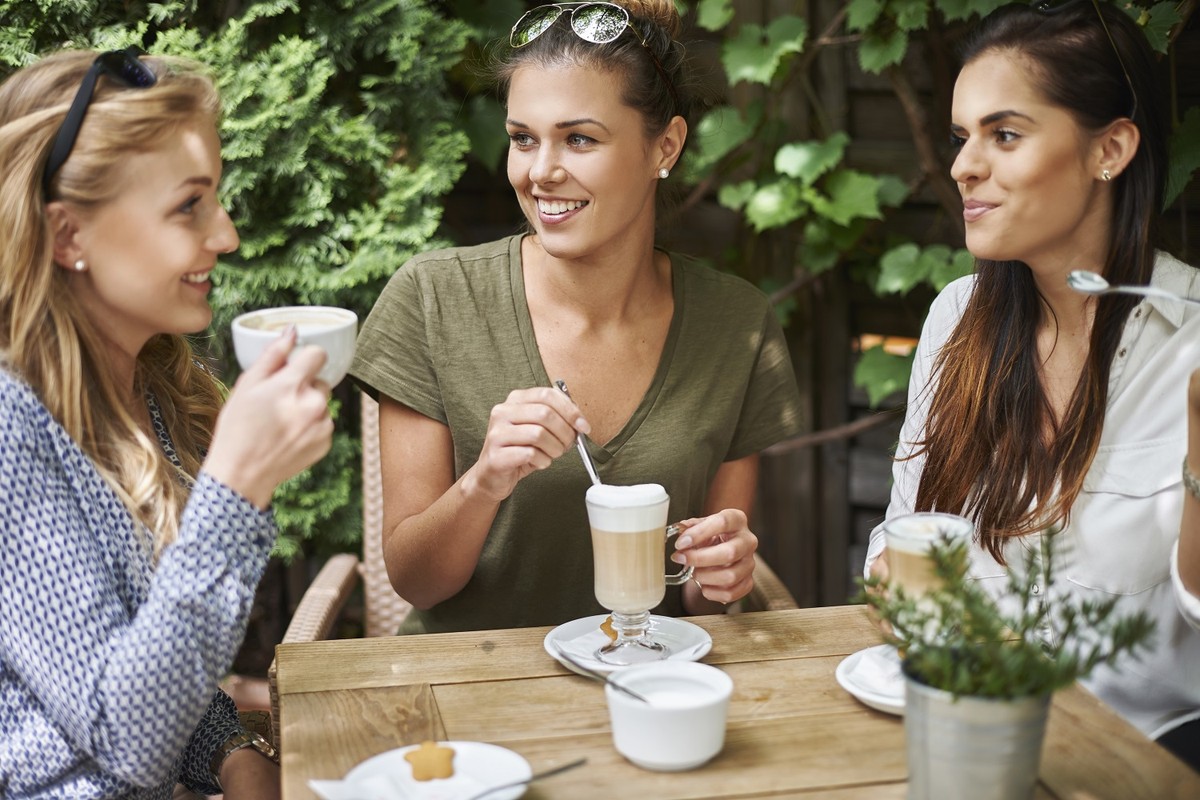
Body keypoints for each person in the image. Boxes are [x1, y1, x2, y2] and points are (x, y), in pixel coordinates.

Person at [349, 0, 804, 635]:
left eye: (580, 139)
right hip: (472, 699)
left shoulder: (736, 326)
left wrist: (719, 574)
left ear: (664, 145)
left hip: (651, 690)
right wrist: (484, 482)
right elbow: (415, 580)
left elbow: (705, 601)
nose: (540, 173)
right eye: (522, 139)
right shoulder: (432, 298)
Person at [864, 0, 1200, 768]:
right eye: (961, 138)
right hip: (965, 733)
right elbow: (897, 542)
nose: (962, 166)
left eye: (1004, 135)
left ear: (1109, 148)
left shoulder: (1191, 340)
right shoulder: (959, 317)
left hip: (1137, 763)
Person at [0, 48, 334, 798]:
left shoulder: (151, 392)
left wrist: (232, 751)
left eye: (215, 198)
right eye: (189, 206)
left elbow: (143, 667)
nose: (227, 237)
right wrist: (235, 486)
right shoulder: (9, 426)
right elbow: (125, 737)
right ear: (67, 237)